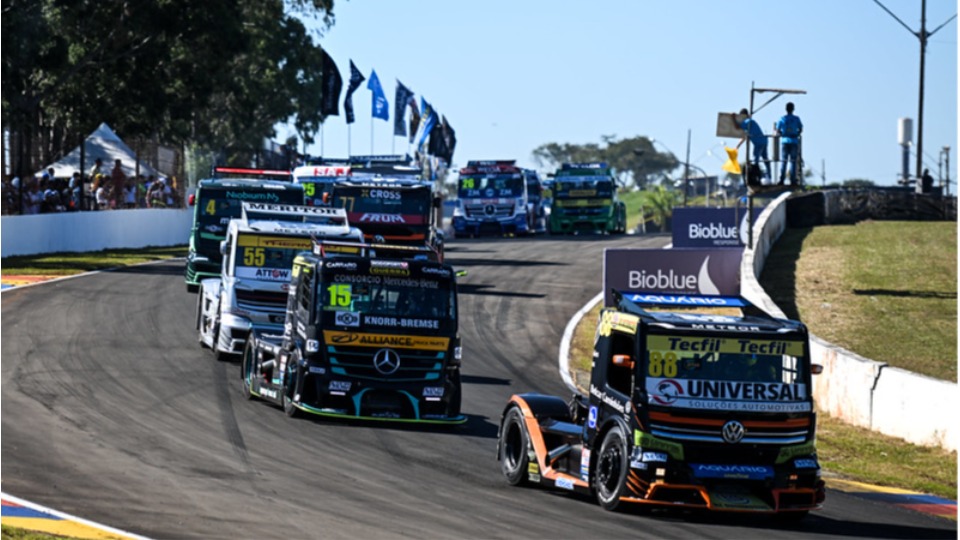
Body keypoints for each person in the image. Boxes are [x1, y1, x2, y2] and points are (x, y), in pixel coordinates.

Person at [734, 108, 771, 182]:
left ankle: (756, 177)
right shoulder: (750, 122)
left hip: (758, 143)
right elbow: (745, 137)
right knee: (765, 159)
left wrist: (733, 118)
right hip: (764, 141)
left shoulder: (747, 122)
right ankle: (769, 176)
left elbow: (737, 127)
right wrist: (737, 146)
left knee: (755, 161)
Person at [776, 102, 803, 186]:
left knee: (784, 161)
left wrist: (782, 133)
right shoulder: (796, 119)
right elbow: (801, 129)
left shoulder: (782, 119)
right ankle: (793, 180)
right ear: (793, 109)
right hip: (794, 141)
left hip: (784, 141)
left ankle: (781, 180)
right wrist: (797, 133)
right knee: (793, 161)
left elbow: (777, 130)